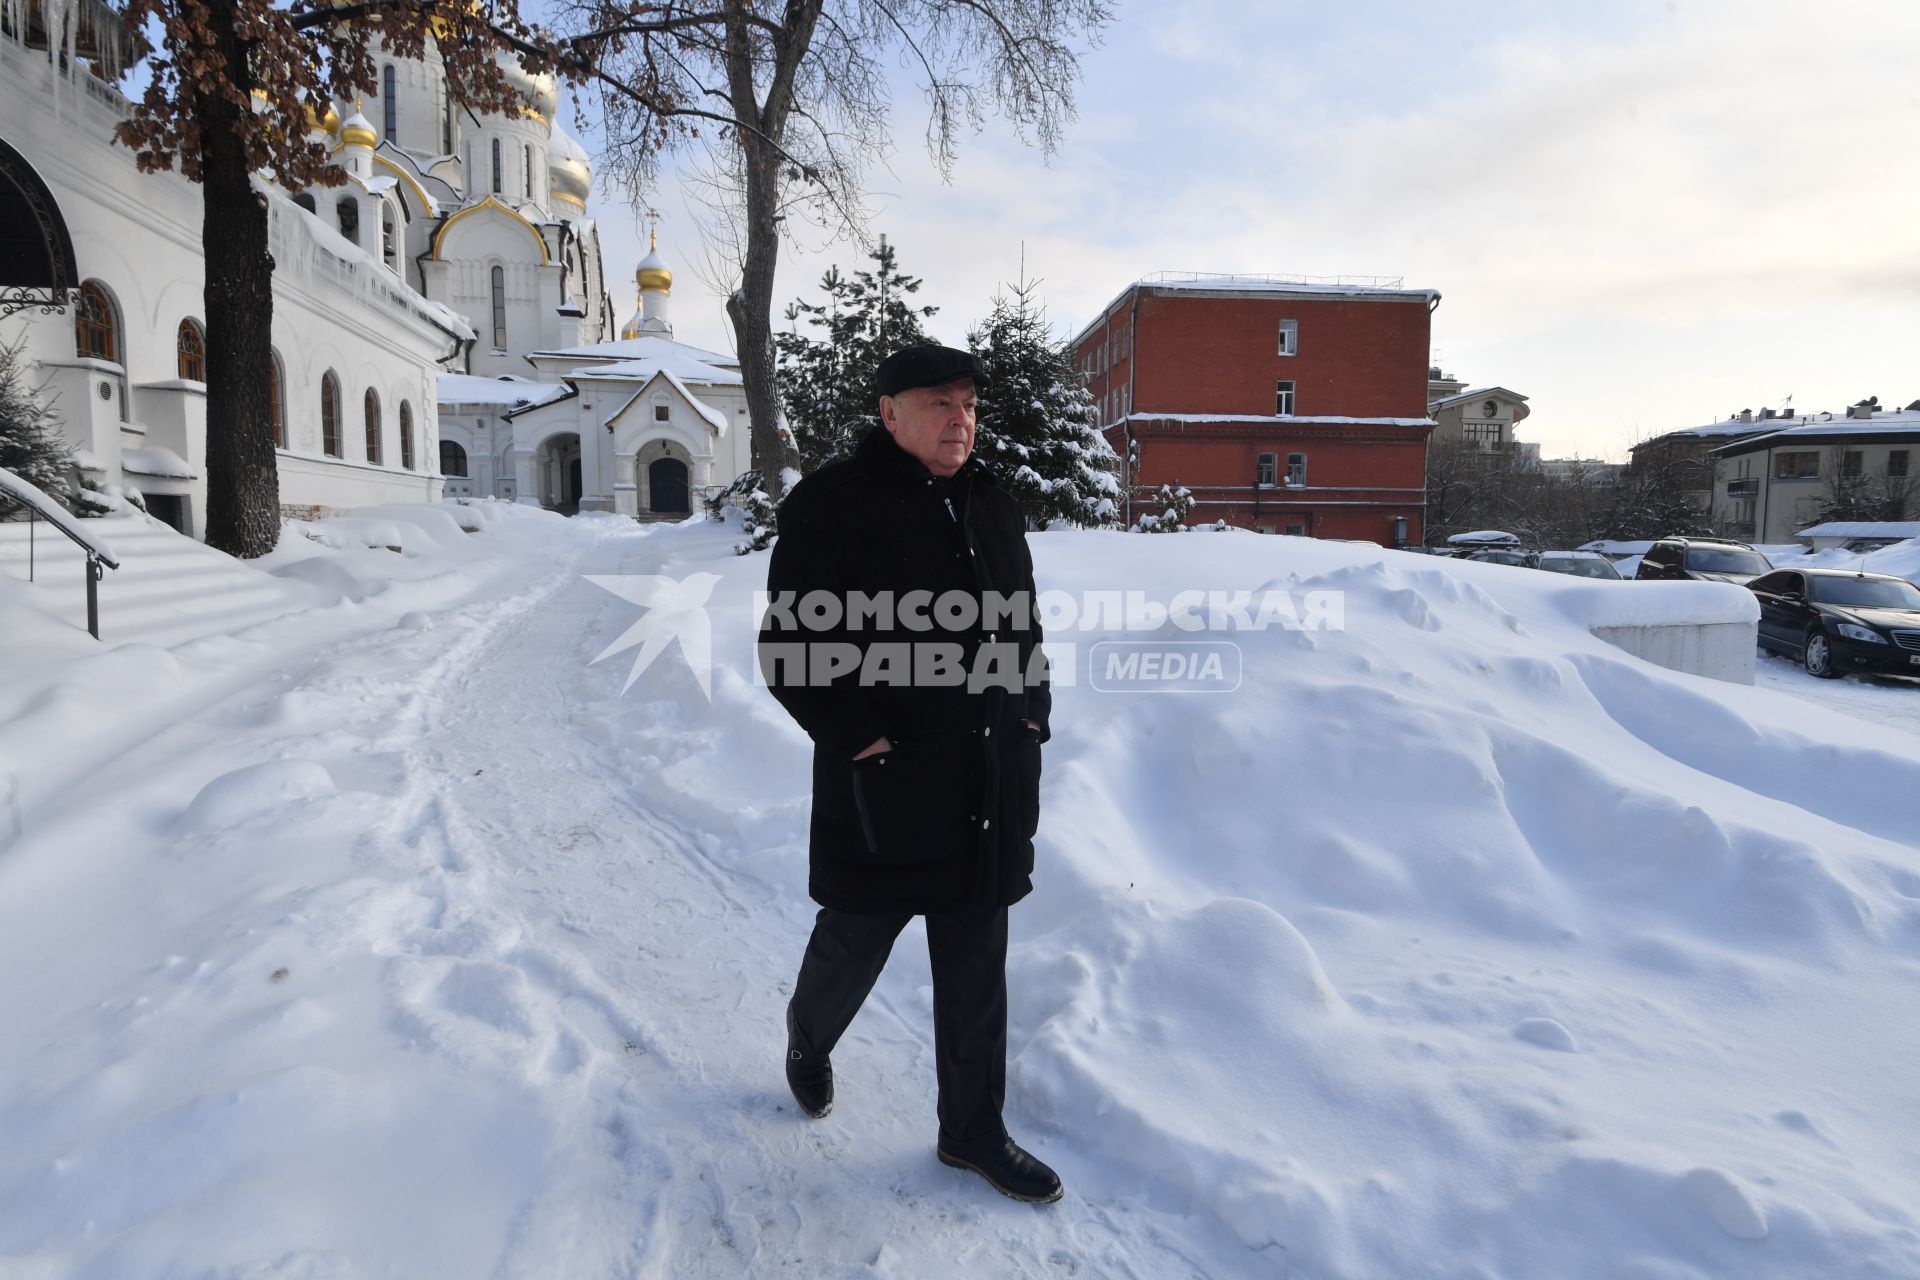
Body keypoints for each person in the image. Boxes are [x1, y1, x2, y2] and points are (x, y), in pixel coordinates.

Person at [757, 343, 1060, 1203]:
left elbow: (1021, 626)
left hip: (989, 781)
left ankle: (972, 1133)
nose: (959, 418)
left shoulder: (991, 502)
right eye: (938, 402)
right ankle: (809, 1036)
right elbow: (792, 647)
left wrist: (1032, 712)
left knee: (976, 964)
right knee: (855, 940)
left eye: (967, 403)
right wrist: (862, 742)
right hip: (886, 785)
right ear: (889, 412)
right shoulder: (836, 503)